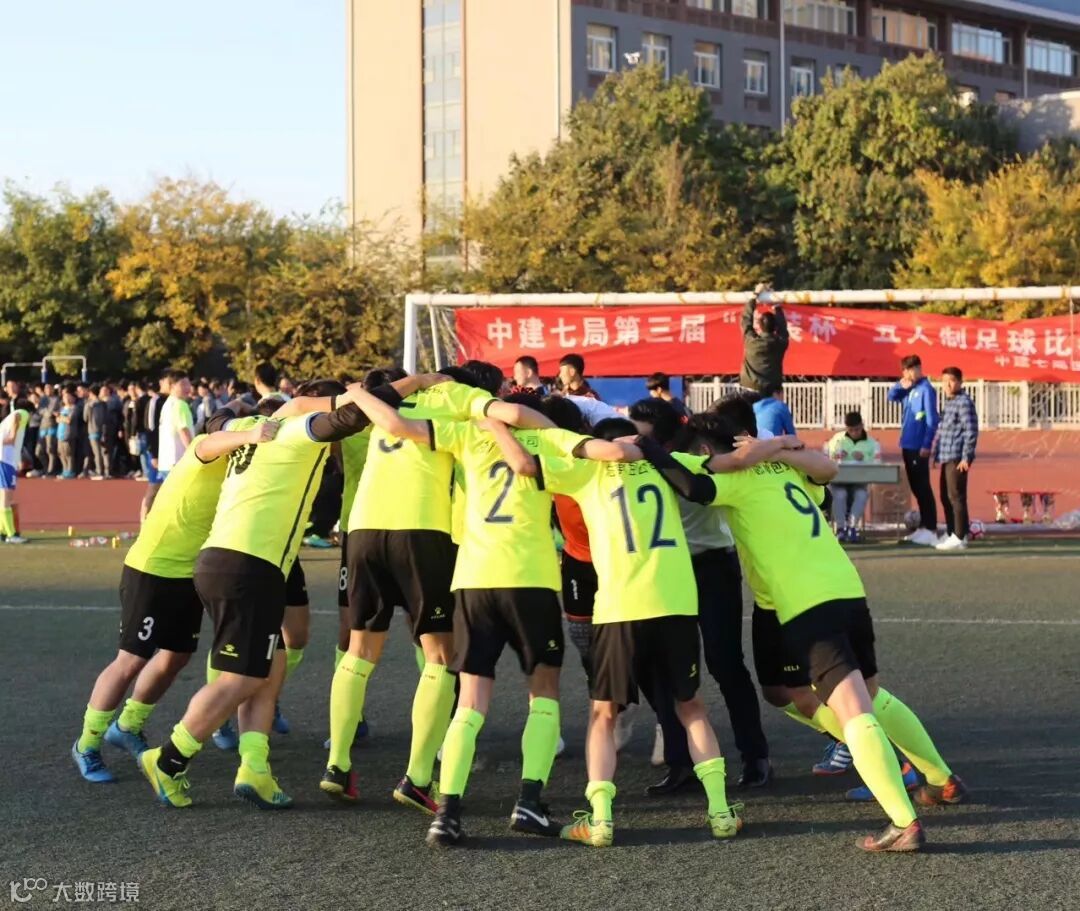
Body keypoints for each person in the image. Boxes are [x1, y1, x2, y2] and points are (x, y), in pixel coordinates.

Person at [643, 399, 968, 852]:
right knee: (862, 696)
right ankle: (938, 777)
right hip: (844, 588)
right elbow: (824, 477)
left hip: (803, 602)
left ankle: (903, 821)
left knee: (855, 711)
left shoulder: (734, 476)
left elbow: (694, 484)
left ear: (706, 446)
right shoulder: (787, 468)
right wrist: (783, 448)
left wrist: (647, 448)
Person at [138, 378, 405, 809]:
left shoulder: (251, 431)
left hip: (230, 560)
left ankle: (255, 767)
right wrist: (410, 383)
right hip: (249, 564)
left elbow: (216, 420)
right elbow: (350, 416)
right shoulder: (295, 431)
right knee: (241, 677)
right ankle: (168, 759)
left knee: (270, 665)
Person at [322, 366, 553, 814]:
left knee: (359, 650)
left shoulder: (391, 397)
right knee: (441, 656)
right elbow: (511, 415)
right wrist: (555, 432)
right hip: (422, 529)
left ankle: (337, 764)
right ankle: (418, 776)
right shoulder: (458, 397)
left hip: (364, 529)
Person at [71, 420, 279, 782]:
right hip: (153, 568)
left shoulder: (242, 470)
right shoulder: (208, 447)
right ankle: (87, 744)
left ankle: (128, 725)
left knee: (175, 657)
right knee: (131, 659)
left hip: (189, 575)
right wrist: (250, 434)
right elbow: (210, 442)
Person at [628, 397, 772, 792]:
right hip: (666, 572)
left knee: (725, 663)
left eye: (639, 435)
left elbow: (715, 472)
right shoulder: (639, 462)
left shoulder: (694, 457)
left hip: (712, 568)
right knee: (661, 668)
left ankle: (755, 756)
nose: (631, 442)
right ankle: (681, 761)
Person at [888, 355, 939, 546]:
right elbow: (891, 397)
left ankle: (931, 528)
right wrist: (900, 386)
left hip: (919, 447)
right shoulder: (909, 388)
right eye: (906, 370)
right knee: (916, 488)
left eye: (913, 369)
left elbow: (932, 420)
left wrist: (927, 445)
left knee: (923, 487)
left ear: (919, 368)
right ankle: (923, 527)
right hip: (907, 444)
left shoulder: (926, 389)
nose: (910, 373)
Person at [933, 367, 978, 553]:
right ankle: (952, 532)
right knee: (946, 497)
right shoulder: (950, 403)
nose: (947, 385)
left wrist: (967, 456)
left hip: (957, 457)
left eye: (951, 381)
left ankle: (960, 536)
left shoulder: (964, 403)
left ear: (960, 382)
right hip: (946, 456)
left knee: (956, 497)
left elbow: (971, 431)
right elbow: (943, 431)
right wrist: (936, 454)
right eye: (944, 381)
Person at [826, 411, 882, 542]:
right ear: (846, 428)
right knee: (839, 495)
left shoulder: (872, 443)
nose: (854, 433)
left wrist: (865, 458)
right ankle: (840, 528)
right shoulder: (837, 439)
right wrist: (836, 456)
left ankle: (852, 527)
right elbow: (827, 456)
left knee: (861, 495)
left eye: (857, 429)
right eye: (850, 430)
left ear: (862, 425)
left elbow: (878, 463)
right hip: (839, 481)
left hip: (860, 481)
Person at [739, 284, 788, 393]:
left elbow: (745, 321)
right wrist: (776, 305)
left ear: (759, 326)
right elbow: (783, 327)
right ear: (775, 326)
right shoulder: (780, 343)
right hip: (772, 389)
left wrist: (754, 296)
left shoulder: (752, 341)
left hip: (750, 388)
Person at [0, 401, 30, 544]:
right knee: (6, 498)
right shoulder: (21, 413)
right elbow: (17, 416)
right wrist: (13, 435)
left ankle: (2, 531)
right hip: (5, 460)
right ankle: (11, 534)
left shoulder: (4, 423)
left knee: (4, 498)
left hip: (6, 460)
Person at [157, 370, 194, 483]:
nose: (188, 388)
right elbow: (184, 431)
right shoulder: (180, 405)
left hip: (166, 462)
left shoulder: (168, 404)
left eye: (188, 384)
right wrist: (194, 454)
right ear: (172, 386)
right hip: (178, 462)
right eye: (183, 384)